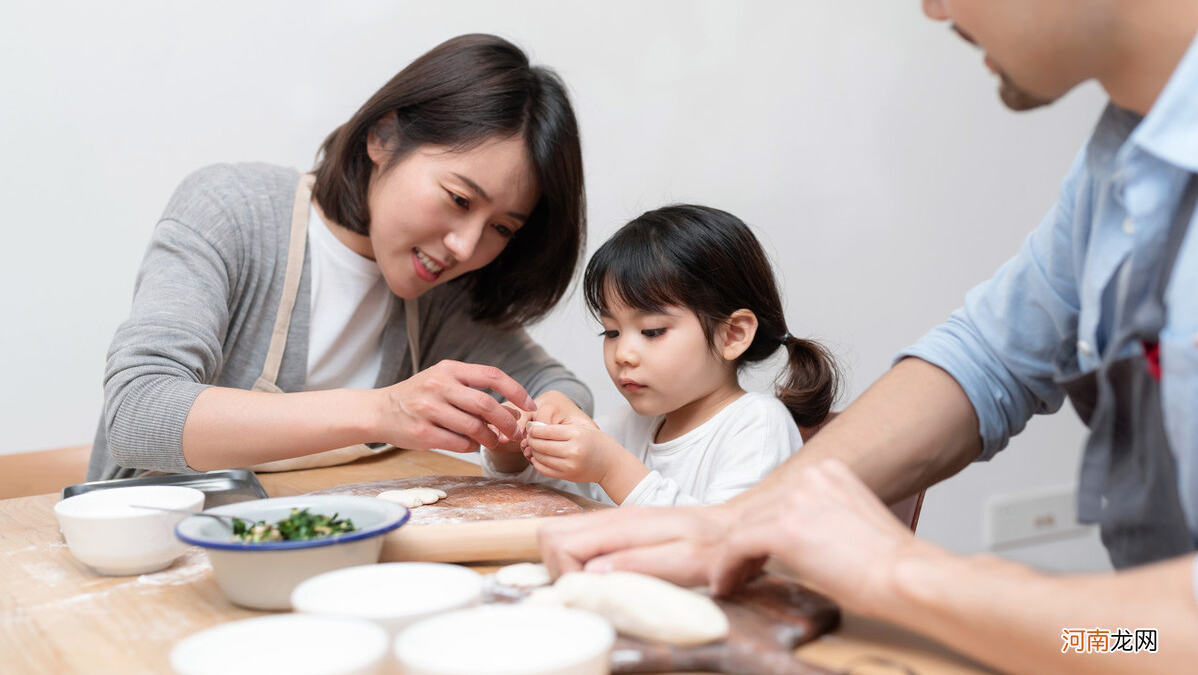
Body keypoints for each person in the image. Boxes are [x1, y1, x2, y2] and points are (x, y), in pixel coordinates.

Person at [539, 1, 1198, 673]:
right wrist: (732, 524)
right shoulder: (1123, 156)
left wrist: (895, 571)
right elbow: (986, 359)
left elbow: (1153, 643)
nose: (932, 8)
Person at [88, 33, 592, 481]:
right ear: (383, 137)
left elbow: (558, 388)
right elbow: (137, 413)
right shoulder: (231, 210)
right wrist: (382, 411)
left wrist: (544, 420)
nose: (465, 246)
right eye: (459, 199)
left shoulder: (440, 294)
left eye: (501, 228)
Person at [482, 205, 841, 506]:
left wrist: (610, 468)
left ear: (732, 334)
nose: (623, 353)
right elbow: (564, 505)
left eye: (652, 331)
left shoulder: (758, 426)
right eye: (611, 332)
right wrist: (516, 451)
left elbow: (721, 541)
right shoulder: (629, 425)